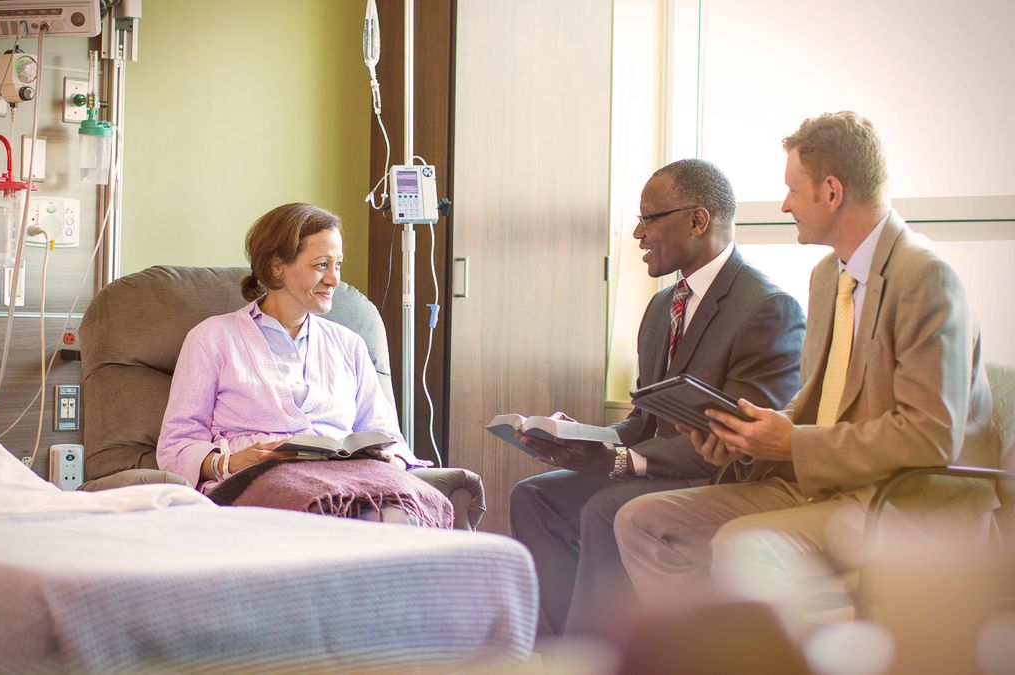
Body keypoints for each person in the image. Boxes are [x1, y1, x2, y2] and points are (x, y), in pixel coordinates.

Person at [614, 112, 1000, 605]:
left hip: (905, 502)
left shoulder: (924, 277)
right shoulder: (826, 277)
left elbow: (931, 435)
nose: (784, 204)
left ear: (831, 192)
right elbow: (821, 401)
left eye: (794, 191)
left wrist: (792, 443)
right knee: (643, 521)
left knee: (744, 545)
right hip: (829, 487)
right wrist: (750, 436)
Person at [508, 159, 806, 638]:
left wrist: (627, 462)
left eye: (650, 219)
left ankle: (605, 659)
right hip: (654, 469)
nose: (637, 234)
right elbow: (643, 422)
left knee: (605, 509)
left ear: (697, 220)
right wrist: (585, 438)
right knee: (535, 497)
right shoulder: (661, 306)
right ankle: (569, 650)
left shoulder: (768, 309)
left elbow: (742, 441)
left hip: (713, 477)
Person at [156, 202, 453, 528]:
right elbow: (176, 445)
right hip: (263, 478)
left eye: (338, 264)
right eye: (321, 265)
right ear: (276, 266)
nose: (334, 279)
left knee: (406, 510)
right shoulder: (211, 338)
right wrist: (232, 461)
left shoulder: (349, 344)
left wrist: (389, 457)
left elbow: (385, 435)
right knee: (325, 511)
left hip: (351, 478)